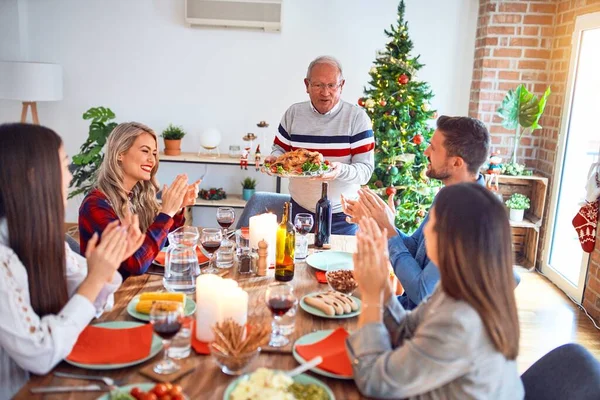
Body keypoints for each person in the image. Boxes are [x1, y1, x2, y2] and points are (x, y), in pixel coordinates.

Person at [0, 123, 144, 399]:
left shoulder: (42, 237)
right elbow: (40, 353)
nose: (69, 177)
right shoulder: (3, 259)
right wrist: (95, 279)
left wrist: (108, 264)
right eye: (65, 166)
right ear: (34, 176)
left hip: (48, 382)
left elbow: (92, 305)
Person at [347, 183, 524, 399]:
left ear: (450, 239)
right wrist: (382, 286)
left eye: (432, 221)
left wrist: (371, 297)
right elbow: (406, 331)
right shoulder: (460, 287)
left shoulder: (460, 322)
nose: (425, 229)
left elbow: (373, 381)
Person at [342, 116, 518, 309]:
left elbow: (422, 292)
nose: (426, 152)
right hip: (410, 310)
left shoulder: (470, 217)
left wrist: (389, 231)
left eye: (433, 148)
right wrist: (380, 223)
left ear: (457, 163)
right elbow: (417, 248)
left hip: (427, 326)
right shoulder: (447, 196)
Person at [265, 55, 374, 235]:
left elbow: (365, 172)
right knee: (295, 262)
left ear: (342, 86)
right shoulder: (293, 113)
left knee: (341, 264)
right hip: (298, 211)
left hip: (343, 216)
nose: (325, 92)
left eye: (332, 85)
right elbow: (279, 150)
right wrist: (274, 160)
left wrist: (339, 170)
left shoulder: (357, 118)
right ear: (307, 85)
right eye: (318, 85)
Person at [79, 122, 199, 278]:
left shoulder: (135, 196)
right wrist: (166, 212)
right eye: (145, 151)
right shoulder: (96, 206)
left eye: (154, 153)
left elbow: (162, 244)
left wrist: (177, 208)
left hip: (132, 286)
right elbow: (136, 263)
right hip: (109, 296)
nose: (152, 160)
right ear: (119, 154)